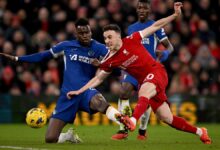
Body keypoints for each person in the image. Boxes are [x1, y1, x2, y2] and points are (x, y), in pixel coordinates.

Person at [67, 2, 211, 144]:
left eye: (110, 37)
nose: (107, 41)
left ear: (118, 36)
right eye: (105, 38)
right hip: (146, 81)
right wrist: (79, 91)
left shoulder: (133, 38)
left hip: (156, 71)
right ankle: (200, 132)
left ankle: (133, 121)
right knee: (166, 118)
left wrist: (175, 14)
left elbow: (155, 25)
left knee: (144, 91)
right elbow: (98, 79)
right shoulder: (110, 59)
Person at [0, 18, 124, 143]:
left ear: (91, 32)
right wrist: (17, 58)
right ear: (76, 34)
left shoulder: (100, 48)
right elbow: (43, 56)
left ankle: (124, 122)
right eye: (81, 33)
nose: (85, 35)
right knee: (50, 138)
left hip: (86, 91)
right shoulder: (66, 46)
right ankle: (68, 136)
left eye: (87, 32)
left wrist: (102, 64)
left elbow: (117, 71)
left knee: (99, 103)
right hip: (67, 95)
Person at [112, 0, 174, 140]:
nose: (142, 10)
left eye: (145, 8)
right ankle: (123, 129)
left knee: (144, 99)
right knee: (124, 92)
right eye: (139, 8)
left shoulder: (155, 26)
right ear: (136, 9)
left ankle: (142, 130)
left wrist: (165, 53)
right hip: (132, 68)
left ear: (149, 10)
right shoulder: (131, 28)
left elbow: (170, 47)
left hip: (148, 69)